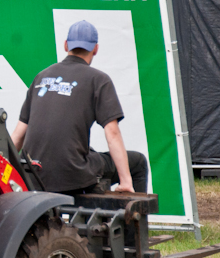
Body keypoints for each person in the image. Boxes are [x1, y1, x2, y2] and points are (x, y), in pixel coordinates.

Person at [10, 20, 148, 198]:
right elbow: (112, 133)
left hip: (33, 174)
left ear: (66, 45)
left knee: (88, 152)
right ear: (96, 49)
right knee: (138, 163)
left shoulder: (41, 77)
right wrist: (125, 182)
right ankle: (136, 221)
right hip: (73, 175)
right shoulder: (98, 80)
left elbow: (18, 135)